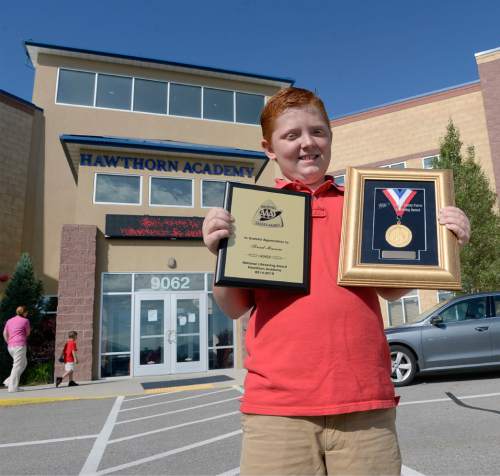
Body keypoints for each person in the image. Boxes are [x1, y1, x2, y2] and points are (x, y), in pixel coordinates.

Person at [202, 87, 471, 475]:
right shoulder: (251, 212)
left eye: (318, 131)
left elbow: (393, 287)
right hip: (278, 412)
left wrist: (443, 241)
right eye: (291, 135)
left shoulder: (364, 205)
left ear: (330, 136)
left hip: (364, 405)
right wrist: (220, 252)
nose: (307, 143)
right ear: (269, 148)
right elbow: (234, 306)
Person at [2, 305, 30, 393]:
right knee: (17, 366)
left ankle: (9, 381)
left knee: (23, 363)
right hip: (20, 345)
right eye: (27, 312)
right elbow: (28, 333)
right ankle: (13, 388)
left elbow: (5, 333)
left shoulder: (9, 320)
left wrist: (9, 342)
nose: (27, 313)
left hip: (10, 346)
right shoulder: (26, 320)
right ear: (24, 312)